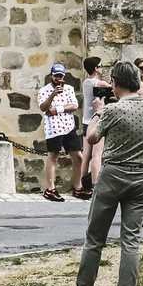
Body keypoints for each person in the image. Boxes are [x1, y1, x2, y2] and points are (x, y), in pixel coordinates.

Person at [67, 62, 143, 286]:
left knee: (95, 239)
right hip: (142, 177)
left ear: (116, 83)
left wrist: (98, 111)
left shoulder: (113, 110)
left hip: (113, 174)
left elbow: (92, 138)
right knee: (131, 241)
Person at [38, 62, 81, 202]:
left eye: (61, 76)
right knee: (53, 156)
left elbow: (74, 105)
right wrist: (52, 95)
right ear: (51, 76)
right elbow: (44, 108)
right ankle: (50, 189)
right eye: (56, 76)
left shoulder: (69, 89)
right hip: (54, 128)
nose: (59, 79)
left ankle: (77, 187)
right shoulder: (44, 90)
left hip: (68, 126)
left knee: (78, 156)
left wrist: (58, 109)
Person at [73, 57, 112, 199]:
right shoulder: (100, 83)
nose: (102, 68)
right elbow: (114, 90)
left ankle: (82, 186)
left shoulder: (86, 83)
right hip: (96, 121)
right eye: (100, 66)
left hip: (85, 121)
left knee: (86, 155)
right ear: (96, 68)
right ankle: (96, 185)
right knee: (97, 155)